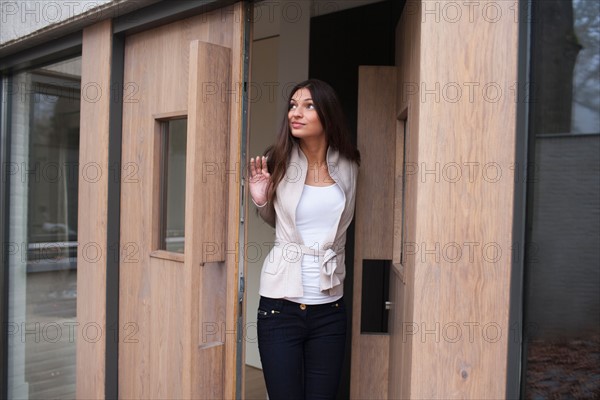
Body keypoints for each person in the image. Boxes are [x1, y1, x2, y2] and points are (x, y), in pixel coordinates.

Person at [248, 79, 360, 400]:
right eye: (293, 105)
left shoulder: (350, 165)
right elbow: (277, 221)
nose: (296, 113)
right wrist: (261, 199)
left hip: (330, 308)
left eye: (308, 106)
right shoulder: (278, 161)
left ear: (327, 113)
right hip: (280, 308)